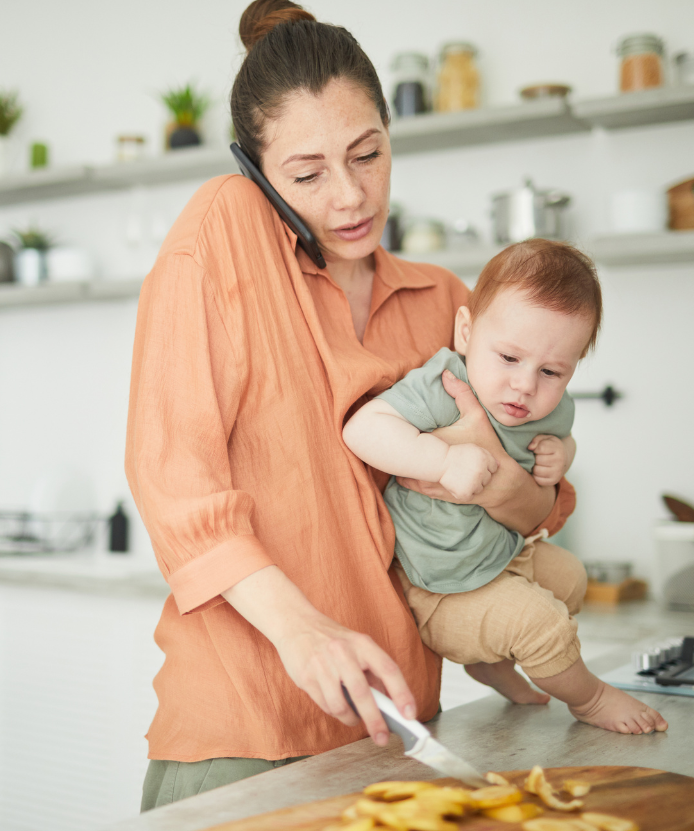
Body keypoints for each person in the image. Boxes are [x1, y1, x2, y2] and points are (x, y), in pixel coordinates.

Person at [125, 0, 578, 810]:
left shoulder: (443, 301)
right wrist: (303, 629)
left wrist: (489, 475)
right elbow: (172, 476)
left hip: (399, 730)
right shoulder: (224, 229)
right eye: (306, 174)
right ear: (256, 171)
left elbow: (535, 509)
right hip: (246, 727)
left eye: (367, 154)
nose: (349, 195)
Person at [343, 240, 669, 735]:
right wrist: (442, 458)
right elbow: (363, 430)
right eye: (509, 358)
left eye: (551, 371)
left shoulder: (551, 406)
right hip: (440, 587)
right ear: (467, 332)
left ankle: (491, 664)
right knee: (540, 622)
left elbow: (563, 436)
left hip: (503, 554)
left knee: (573, 579)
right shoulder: (444, 385)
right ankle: (591, 698)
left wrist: (564, 455)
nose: (524, 386)